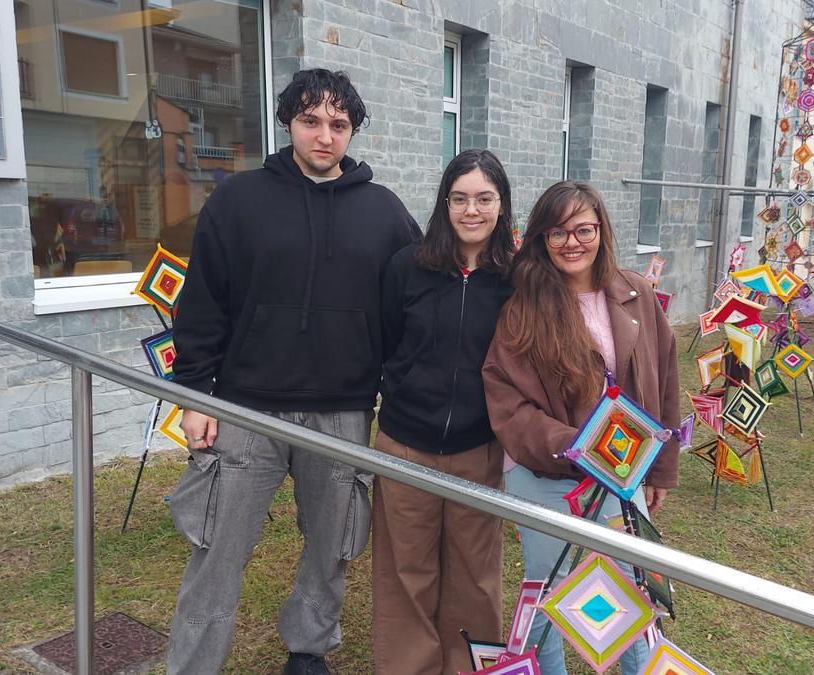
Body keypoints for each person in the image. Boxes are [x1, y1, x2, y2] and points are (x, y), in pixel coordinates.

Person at [166, 68, 419, 675]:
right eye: (311, 121)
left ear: (352, 131)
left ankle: (308, 649)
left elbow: (413, 302)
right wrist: (195, 395)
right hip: (244, 407)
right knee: (216, 548)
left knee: (332, 547)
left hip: (343, 409)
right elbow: (202, 303)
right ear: (287, 123)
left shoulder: (384, 212)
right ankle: (193, 664)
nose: (324, 136)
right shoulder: (237, 201)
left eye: (338, 124)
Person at [482, 181, 680, 675]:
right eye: (558, 232)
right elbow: (507, 399)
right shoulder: (523, 308)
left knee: (633, 590)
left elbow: (665, 380)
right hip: (547, 476)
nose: (572, 242)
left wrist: (660, 469)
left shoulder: (636, 294)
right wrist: (577, 446)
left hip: (622, 475)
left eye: (583, 230)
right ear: (542, 239)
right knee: (550, 593)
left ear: (601, 231)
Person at [371, 149, 516, 674]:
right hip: (406, 445)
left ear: (501, 205)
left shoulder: (517, 278)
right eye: (459, 198)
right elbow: (385, 341)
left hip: (478, 449)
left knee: (475, 577)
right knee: (406, 572)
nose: (471, 210)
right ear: (444, 203)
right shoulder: (407, 266)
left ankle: (468, 666)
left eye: (484, 198)